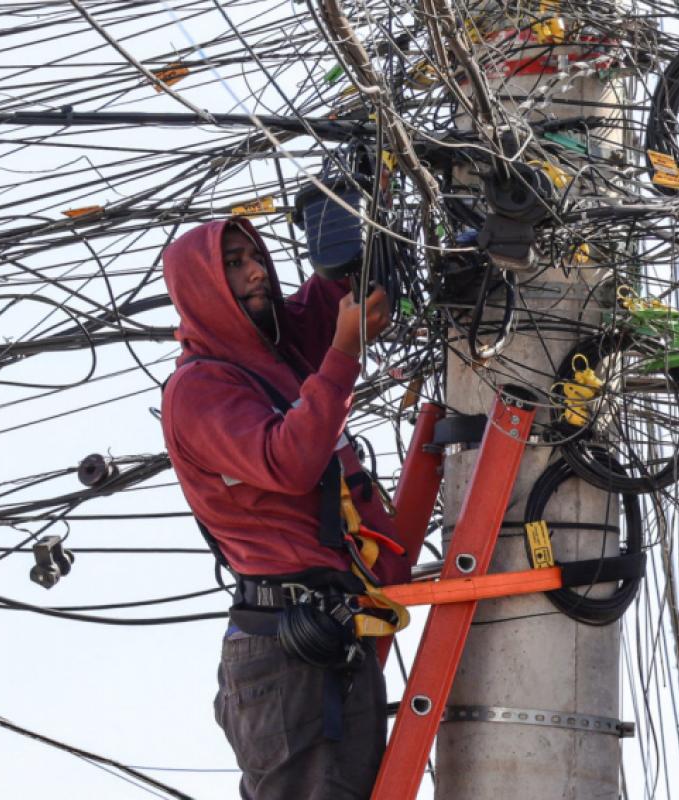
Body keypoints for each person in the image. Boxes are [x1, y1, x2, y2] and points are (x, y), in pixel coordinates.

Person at [160, 217, 405, 799]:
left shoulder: (276, 346)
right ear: (202, 290)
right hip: (287, 651)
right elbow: (287, 460)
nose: (256, 272)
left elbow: (327, 300)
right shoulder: (199, 390)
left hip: (328, 636)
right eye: (234, 264)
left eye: (256, 257)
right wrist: (345, 350)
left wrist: (353, 214)